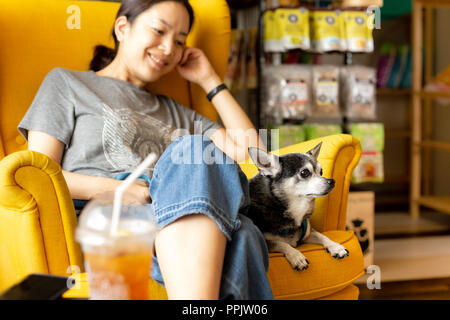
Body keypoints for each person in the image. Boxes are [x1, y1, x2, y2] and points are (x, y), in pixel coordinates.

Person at [18, 0, 274, 299]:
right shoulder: (67, 84)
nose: (168, 48)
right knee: (232, 219)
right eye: (159, 31)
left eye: (179, 41)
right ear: (123, 28)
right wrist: (116, 189)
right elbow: (38, 175)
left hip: (171, 218)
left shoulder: (182, 114)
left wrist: (210, 80)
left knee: (243, 231)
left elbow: (258, 160)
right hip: (109, 220)